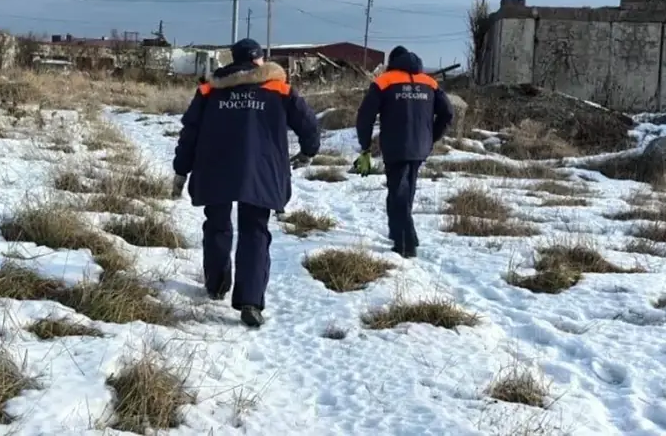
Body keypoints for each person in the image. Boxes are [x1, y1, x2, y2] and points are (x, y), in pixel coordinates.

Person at [172, 38, 320, 328]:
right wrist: (308, 151)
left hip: (214, 167)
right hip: (260, 170)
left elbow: (189, 132)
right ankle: (250, 301)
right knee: (254, 230)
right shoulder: (279, 89)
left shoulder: (209, 90)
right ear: (259, 60)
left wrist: (181, 170)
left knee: (216, 225)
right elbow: (308, 123)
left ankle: (216, 284)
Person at [354, 45, 454, 258]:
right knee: (405, 191)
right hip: (420, 147)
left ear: (392, 62)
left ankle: (406, 242)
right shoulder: (429, 82)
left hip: (395, 146)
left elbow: (365, 115)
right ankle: (397, 233)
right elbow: (448, 113)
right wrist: (431, 136)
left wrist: (365, 146)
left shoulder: (384, 81)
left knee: (398, 191)